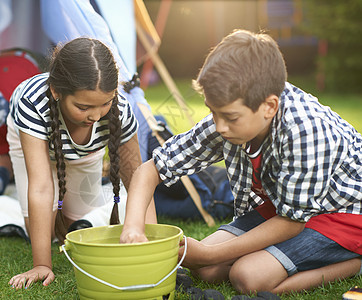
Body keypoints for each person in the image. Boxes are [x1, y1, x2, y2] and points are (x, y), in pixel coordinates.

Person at [120, 29, 362, 295]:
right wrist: (134, 229)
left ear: (269, 106)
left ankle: (352, 263)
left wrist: (210, 253)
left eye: (230, 118)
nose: (219, 127)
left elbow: (292, 222)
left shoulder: (305, 130)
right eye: (213, 112)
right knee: (206, 271)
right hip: (287, 206)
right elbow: (150, 170)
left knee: (247, 277)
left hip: (345, 213)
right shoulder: (230, 115)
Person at [7, 37, 157, 289]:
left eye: (105, 104)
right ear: (57, 91)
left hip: (86, 153)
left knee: (75, 231)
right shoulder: (33, 103)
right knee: (41, 229)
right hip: (31, 143)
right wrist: (42, 265)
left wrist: (153, 241)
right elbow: (42, 187)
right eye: (83, 106)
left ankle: (85, 202)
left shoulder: (118, 110)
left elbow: (138, 178)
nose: (96, 116)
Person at [0, 48, 43, 199]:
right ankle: (10, 112)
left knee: (7, 150)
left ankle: (0, 175)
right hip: (16, 66)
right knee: (33, 128)